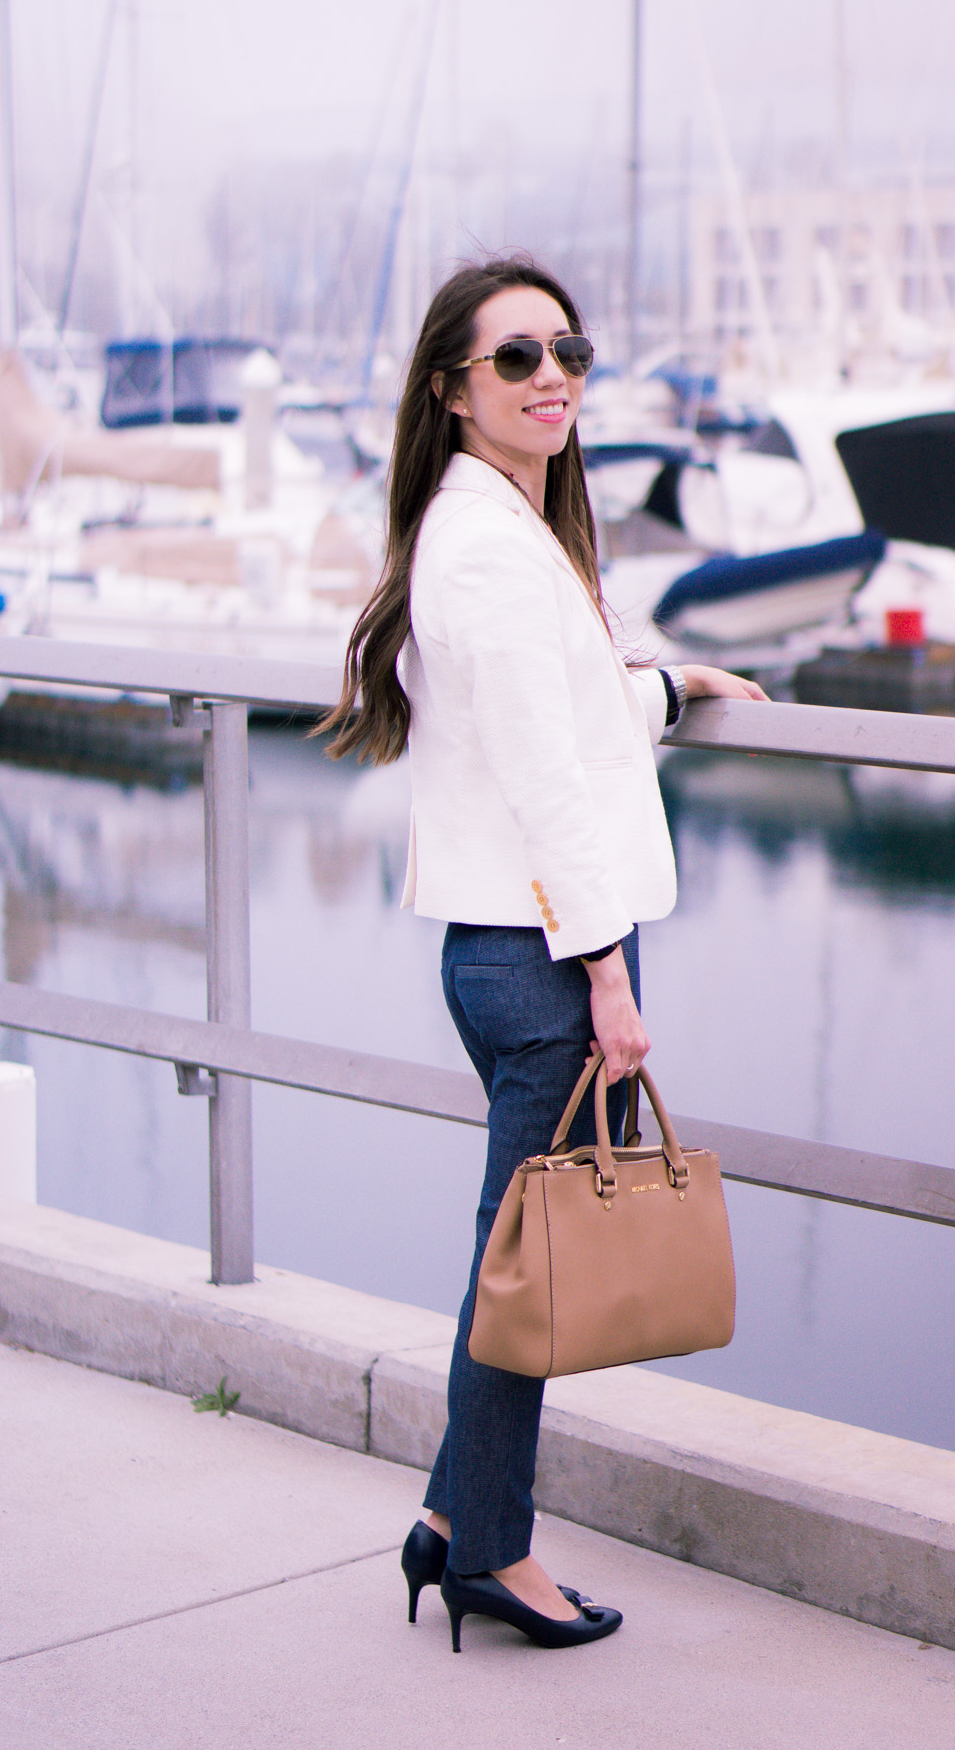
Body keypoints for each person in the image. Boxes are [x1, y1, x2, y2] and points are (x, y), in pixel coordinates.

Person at [324, 256, 767, 1652]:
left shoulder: (503, 531)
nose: (551, 376)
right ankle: (493, 1555)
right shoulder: (479, 544)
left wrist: (668, 685)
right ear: (454, 390)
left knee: (514, 1258)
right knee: (531, 1273)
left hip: (523, 952)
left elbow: (562, 722)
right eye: (515, 358)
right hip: (543, 963)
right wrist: (611, 980)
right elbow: (543, 783)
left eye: (566, 348)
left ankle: (458, 1522)